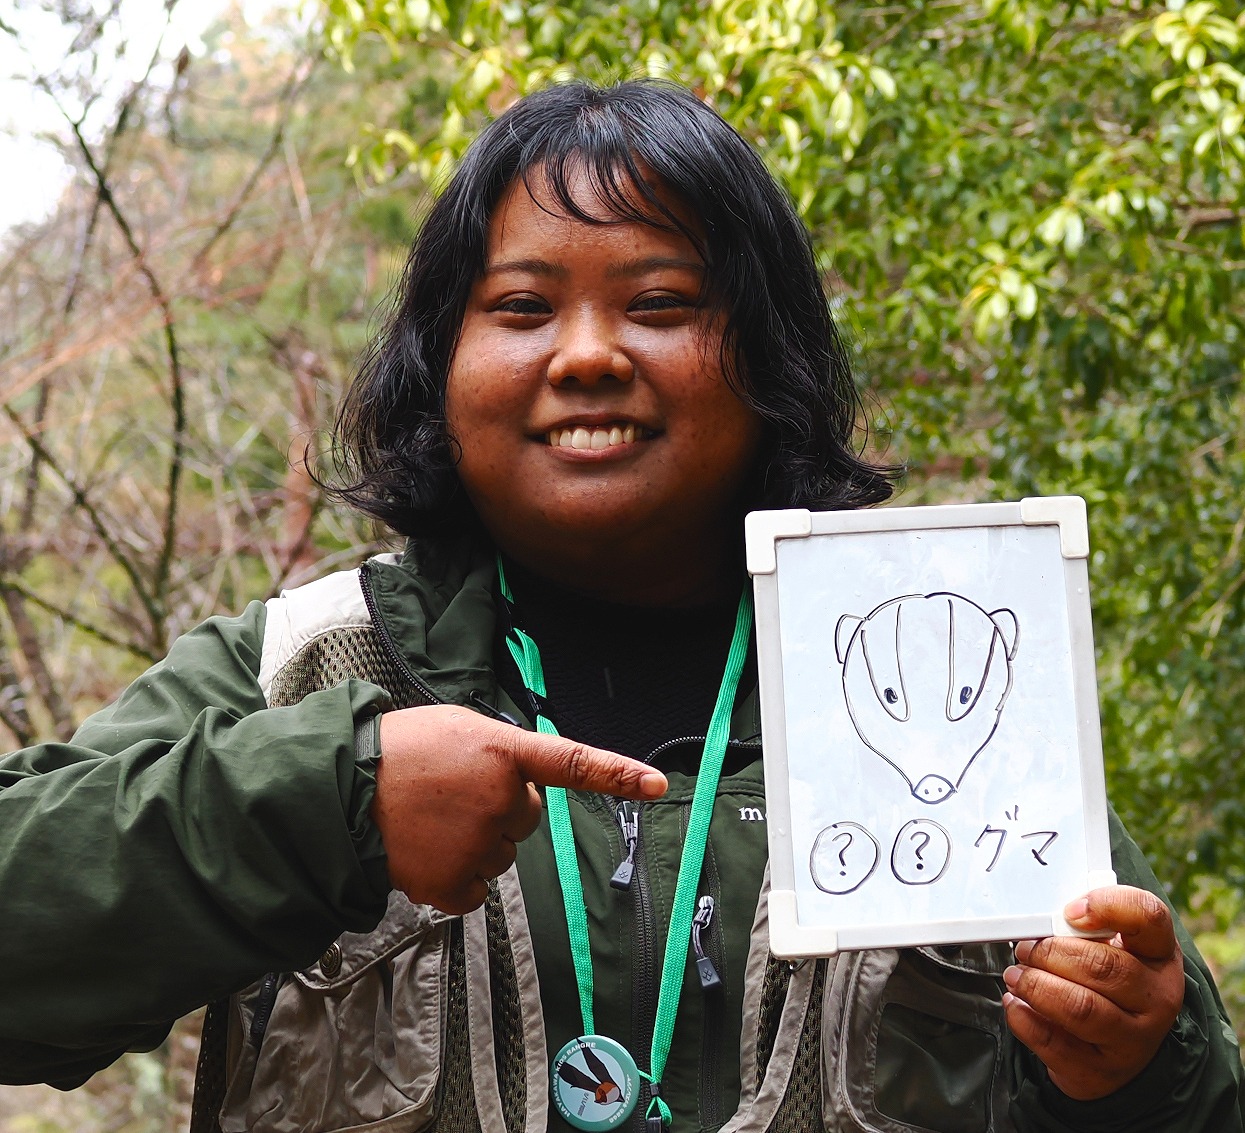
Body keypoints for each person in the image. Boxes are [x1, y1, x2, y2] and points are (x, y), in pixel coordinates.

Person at [0, 80, 1239, 1133]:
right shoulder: (303, 669)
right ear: (443, 365)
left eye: (659, 305)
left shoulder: (944, 672)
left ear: (767, 358)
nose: (588, 353)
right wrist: (335, 800)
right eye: (521, 309)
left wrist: (1139, 1060)